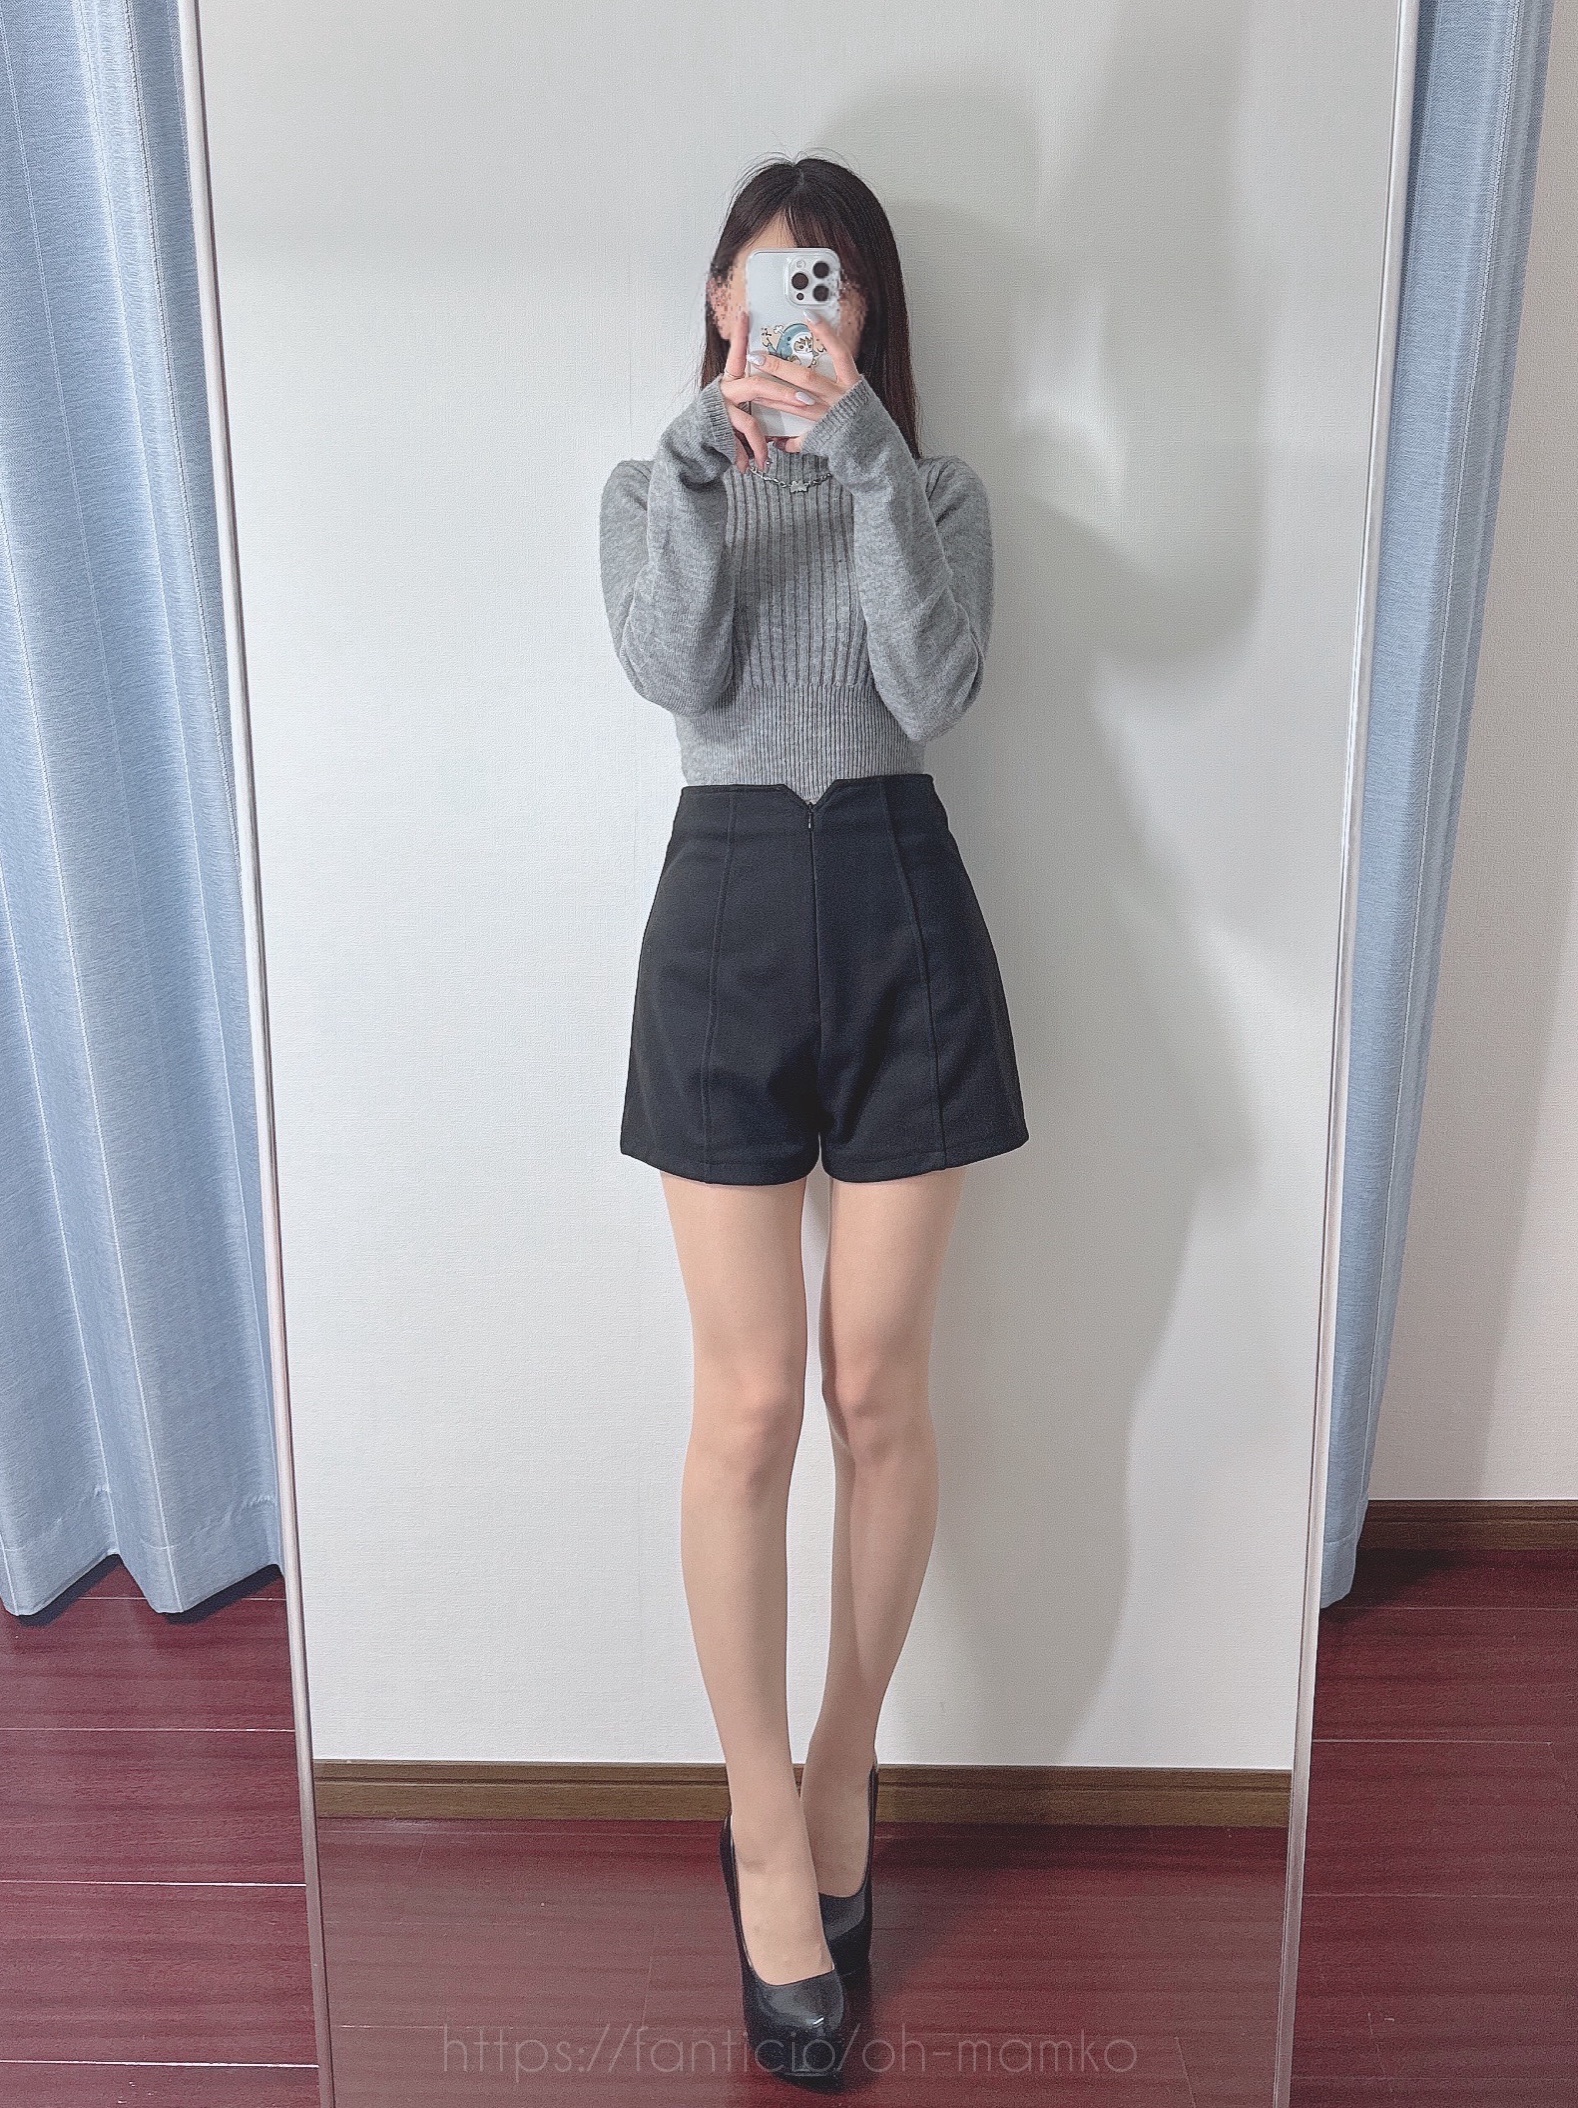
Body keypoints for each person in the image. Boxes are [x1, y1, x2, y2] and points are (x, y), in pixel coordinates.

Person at [598, 153, 1029, 2085]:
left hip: (896, 904)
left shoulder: (934, 494)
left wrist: (862, 461)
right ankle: (762, 1818)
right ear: (720, 303)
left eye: (831, 289)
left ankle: (845, 1761)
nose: (803, 316)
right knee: (749, 1404)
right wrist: (709, 465)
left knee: (876, 1392)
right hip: (720, 917)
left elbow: (930, 688)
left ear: (866, 316)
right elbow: (673, 670)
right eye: (777, 285)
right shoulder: (649, 492)